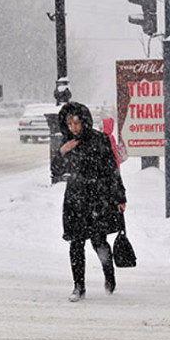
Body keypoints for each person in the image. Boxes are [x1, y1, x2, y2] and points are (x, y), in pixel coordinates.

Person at [52, 102, 127, 302]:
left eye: (76, 123)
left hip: (97, 198)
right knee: (76, 243)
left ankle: (109, 277)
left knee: (99, 241)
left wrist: (119, 197)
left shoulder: (99, 140)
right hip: (75, 199)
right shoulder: (65, 143)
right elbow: (56, 171)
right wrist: (62, 152)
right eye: (69, 124)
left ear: (84, 122)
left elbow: (112, 170)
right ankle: (78, 286)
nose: (73, 128)